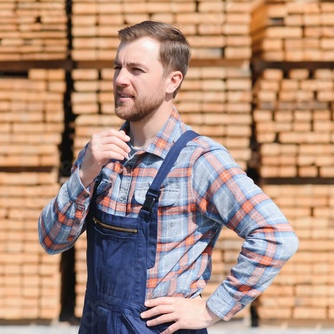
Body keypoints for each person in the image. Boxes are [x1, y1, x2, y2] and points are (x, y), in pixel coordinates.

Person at [38, 21, 299, 334]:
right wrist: (84, 174)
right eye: (117, 67)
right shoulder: (100, 155)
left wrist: (210, 309)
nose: (120, 79)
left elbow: (276, 237)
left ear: (172, 81)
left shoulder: (199, 161)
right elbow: (52, 240)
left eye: (136, 69)